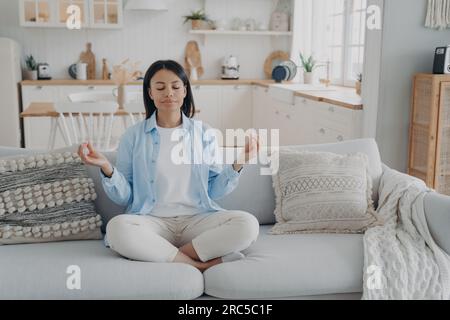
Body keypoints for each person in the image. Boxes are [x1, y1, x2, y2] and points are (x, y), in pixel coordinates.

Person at [78, 60, 260, 272]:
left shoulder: (204, 133)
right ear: (150, 93)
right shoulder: (133, 136)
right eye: (160, 87)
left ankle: (165, 254)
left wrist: (239, 162)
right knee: (117, 228)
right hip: (151, 221)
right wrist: (107, 168)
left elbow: (214, 191)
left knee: (248, 224)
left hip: (198, 220)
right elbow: (125, 197)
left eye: (175, 87)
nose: (169, 93)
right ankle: (200, 265)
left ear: (184, 91)